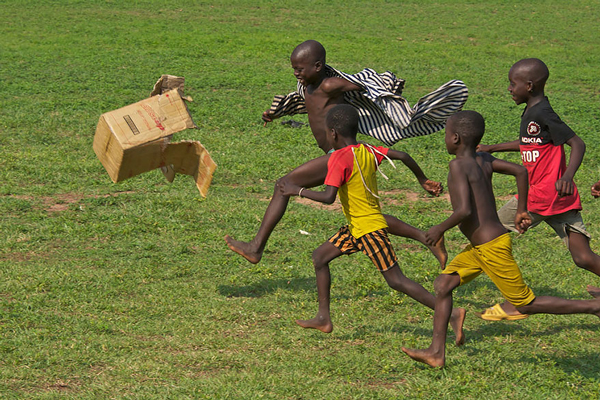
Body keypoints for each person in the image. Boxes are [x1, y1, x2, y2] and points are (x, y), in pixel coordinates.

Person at [225, 40, 468, 266]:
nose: (296, 73)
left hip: (338, 154)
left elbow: (364, 86)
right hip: (342, 152)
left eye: (300, 68)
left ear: (318, 66)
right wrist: (277, 113)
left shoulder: (330, 84)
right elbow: (310, 106)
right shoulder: (307, 85)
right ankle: (427, 237)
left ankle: (256, 248)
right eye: (294, 69)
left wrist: (384, 87)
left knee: (284, 184)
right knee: (368, 216)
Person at [401, 110, 600, 368]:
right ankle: (436, 352)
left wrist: (440, 228)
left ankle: (593, 307)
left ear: (457, 138)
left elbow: (464, 211)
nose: (446, 139)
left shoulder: (457, 166)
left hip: (491, 248)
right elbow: (520, 171)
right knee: (443, 285)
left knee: (526, 304)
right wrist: (521, 209)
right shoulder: (484, 159)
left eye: (447, 135)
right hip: (481, 247)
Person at [278, 104, 466, 339]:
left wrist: (298, 190)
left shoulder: (338, 159)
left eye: (327, 133)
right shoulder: (367, 150)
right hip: (357, 228)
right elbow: (403, 155)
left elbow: (328, 197)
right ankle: (323, 318)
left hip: (368, 230)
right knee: (320, 257)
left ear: (333, 133)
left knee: (397, 281)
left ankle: (453, 314)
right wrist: (422, 179)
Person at [477, 58, 600, 320]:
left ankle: (512, 301)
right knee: (583, 258)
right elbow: (529, 143)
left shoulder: (543, 112)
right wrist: (492, 148)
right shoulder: (534, 112)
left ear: (529, 85)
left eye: (513, 84)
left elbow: (577, 144)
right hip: (558, 199)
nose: (509, 89)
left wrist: (568, 175)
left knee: (487, 234)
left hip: (542, 196)